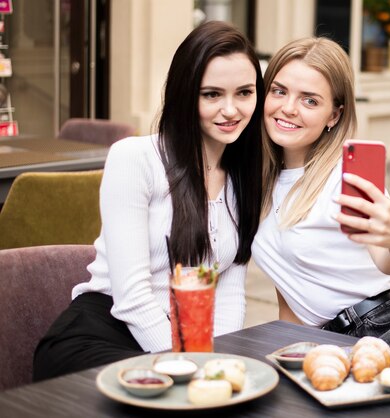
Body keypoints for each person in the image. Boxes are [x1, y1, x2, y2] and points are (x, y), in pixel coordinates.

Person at [33, 21, 264, 380]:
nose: (231, 110)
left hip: (179, 343)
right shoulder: (136, 158)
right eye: (212, 94)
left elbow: (230, 291)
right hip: (100, 335)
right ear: (185, 93)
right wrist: (190, 368)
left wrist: (217, 360)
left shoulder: (243, 177)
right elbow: (132, 298)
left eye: (245, 93)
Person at [252, 37, 390, 353]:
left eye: (309, 100)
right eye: (279, 91)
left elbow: (386, 261)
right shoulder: (258, 183)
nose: (288, 108)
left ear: (334, 116)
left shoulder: (345, 177)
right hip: (329, 345)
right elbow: (290, 292)